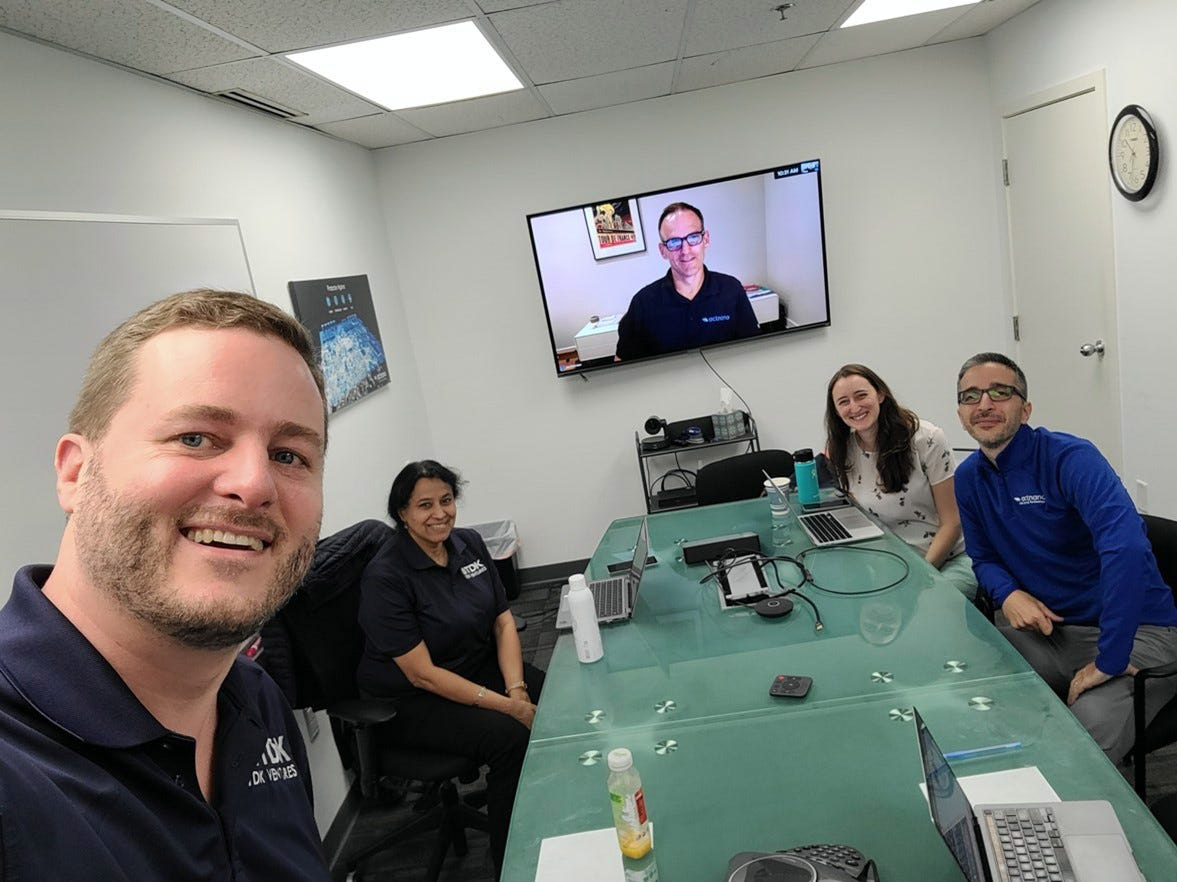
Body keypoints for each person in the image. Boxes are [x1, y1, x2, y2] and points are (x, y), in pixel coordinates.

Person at [0, 290, 331, 879]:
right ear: (76, 472)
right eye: (196, 438)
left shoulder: (255, 703)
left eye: (289, 454)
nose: (255, 485)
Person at [953, 352, 1177, 762]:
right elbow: (982, 557)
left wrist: (1110, 657)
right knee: (971, 684)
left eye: (1000, 392)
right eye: (970, 396)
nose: (984, 404)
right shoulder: (969, 477)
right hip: (1054, 632)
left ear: (1026, 409)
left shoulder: (1070, 459)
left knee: (1083, 740)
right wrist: (1008, 595)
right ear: (961, 413)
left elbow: (1125, 548)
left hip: (1138, 631)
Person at [356, 460, 545, 878]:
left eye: (446, 500)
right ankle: (511, 858)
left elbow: (503, 621)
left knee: (556, 695)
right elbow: (422, 674)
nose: (439, 513)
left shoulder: (469, 544)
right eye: (424, 505)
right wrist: (510, 708)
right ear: (402, 513)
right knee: (509, 738)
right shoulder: (385, 576)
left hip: (470, 665)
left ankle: (550, 816)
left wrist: (516, 688)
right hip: (410, 699)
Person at [824, 364, 976, 599]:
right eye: (843, 402)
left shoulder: (926, 439)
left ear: (881, 395)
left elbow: (952, 523)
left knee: (927, 610)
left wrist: (919, 576)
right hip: (892, 563)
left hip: (946, 559)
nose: (854, 407)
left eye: (861, 395)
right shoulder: (843, 451)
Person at [615, 201, 760, 360]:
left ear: (706, 240)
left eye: (693, 237)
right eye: (674, 242)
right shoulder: (642, 303)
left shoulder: (732, 290)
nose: (685, 251)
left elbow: (753, 351)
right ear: (663, 251)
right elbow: (621, 364)